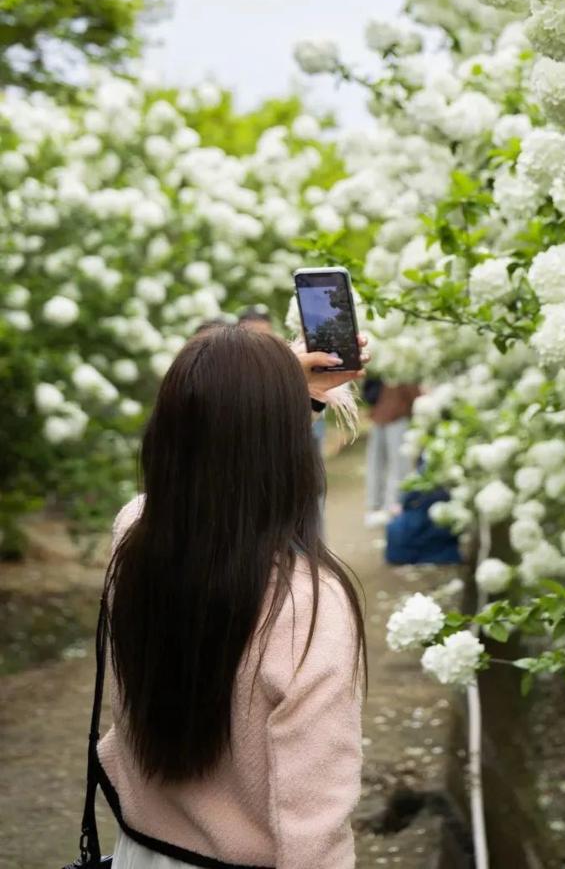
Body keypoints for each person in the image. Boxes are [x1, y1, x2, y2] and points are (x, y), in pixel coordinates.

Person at [99, 323, 367, 869]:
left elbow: (208, 451)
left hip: (139, 851)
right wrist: (280, 393)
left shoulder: (135, 533)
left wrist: (263, 386)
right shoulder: (307, 604)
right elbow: (314, 823)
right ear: (286, 449)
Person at [362, 377, 421, 528]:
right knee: (397, 464)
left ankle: (379, 506)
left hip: (381, 415)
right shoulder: (402, 367)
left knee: (378, 464)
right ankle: (392, 506)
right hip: (394, 416)